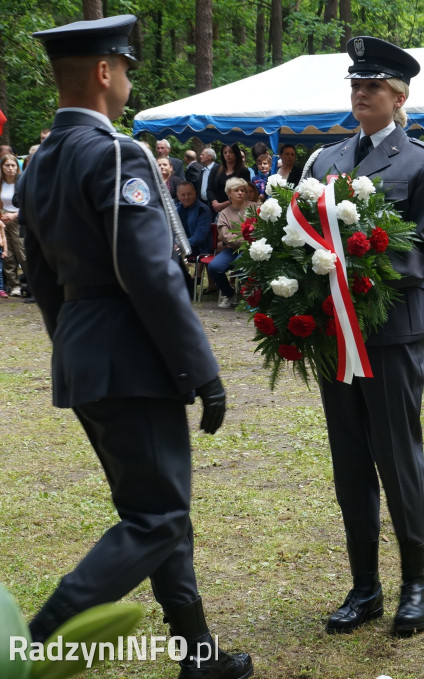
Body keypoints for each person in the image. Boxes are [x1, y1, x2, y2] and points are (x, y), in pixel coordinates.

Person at [15, 15, 252, 678]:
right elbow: (149, 272)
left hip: (90, 359)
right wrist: (202, 368)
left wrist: (75, 349)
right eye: (124, 65)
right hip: (133, 359)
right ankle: (34, 640)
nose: (127, 76)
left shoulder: (40, 163)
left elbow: (40, 275)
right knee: (156, 517)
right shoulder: (117, 154)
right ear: (102, 73)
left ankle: (198, 655)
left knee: (155, 507)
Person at [302, 36, 424, 636]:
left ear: (399, 95)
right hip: (335, 335)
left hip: (387, 333)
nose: (361, 93)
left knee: (396, 454)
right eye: (356, 86)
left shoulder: (422, 161)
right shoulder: (326, 163)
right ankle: (364, 586)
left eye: (373, 86)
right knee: (349, 459)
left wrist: (361, 279)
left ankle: (414, 582)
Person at [209, 176, 256, 308]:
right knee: (214, 267)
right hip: (233, 249)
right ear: (229, 193)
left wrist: (246, 241)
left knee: (242, 265)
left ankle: (252, 298)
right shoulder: (224, 213)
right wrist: (244, 240)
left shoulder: (256, 208)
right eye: (236, 190)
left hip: (254, 249)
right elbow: (225, 236)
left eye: (243, 190)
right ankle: (229, 294)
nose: (240, 193)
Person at [1, 153, 28, 296]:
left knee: (22, 252)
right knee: (8, 254)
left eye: (13, 165)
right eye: (7, 165)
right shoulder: (1, 182)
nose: (10, 168)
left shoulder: (21, 181)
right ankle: (14, 285)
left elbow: (27, 204)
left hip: (18, 218)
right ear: (2, 167)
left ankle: (30, 284)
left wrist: (14, 215)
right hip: (3, 219)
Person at [210, 143, 247, 213]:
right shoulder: (216, 169)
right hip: (216, 208)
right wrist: (215, 203)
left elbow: (245, 191)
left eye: (231, 152)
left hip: (235, 208)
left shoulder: (243, 171)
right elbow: (209, 189)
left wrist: (223, 205)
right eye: (225, 152)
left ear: (236, 153)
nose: (228, 155)